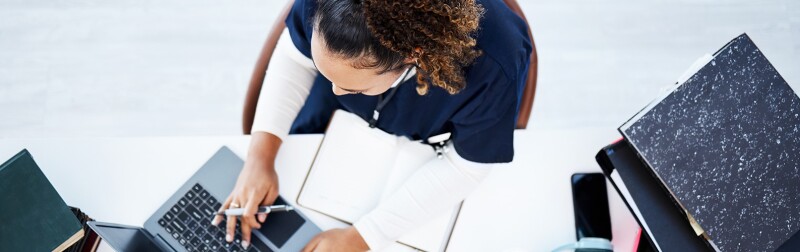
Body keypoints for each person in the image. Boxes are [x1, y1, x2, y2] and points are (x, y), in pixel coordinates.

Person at [211, 0, 532, 250]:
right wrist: (259, 158)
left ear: (412, 56)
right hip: (324, 131)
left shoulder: (496, 63)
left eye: (352, 88)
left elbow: (466, 167)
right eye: (326, 72)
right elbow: (296, 58)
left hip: (416, 152)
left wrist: (362, 237)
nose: (336, 89)